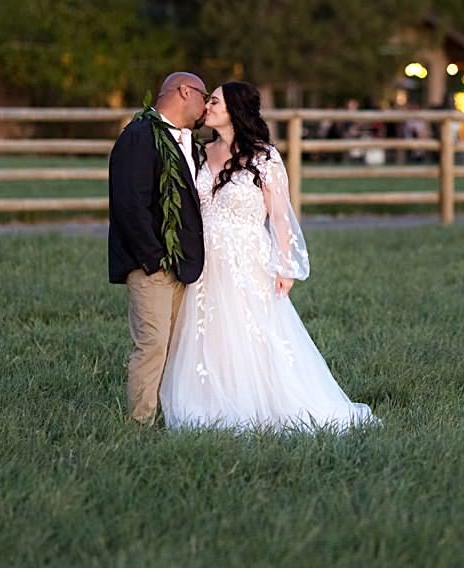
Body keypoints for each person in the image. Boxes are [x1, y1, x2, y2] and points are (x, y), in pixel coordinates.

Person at [160, 81, 378, 432]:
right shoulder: (200, 152)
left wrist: (285, 264)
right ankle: (211, 401)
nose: (208, 107)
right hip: (205, 262)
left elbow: (280, 216)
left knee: (254, 333)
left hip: (248, 260)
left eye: (215, 101)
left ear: (235, 110)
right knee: (208, 335)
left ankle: (263, 400)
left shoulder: (264, 157)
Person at [108, 72, 209, 425]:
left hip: (183, 265)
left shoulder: (188, 143)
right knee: (151, 346)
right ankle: (140, 425)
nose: (206, 104)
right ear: (184, 91)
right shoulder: (139, 137)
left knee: (175, 349)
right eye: (203, 95)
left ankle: (172, 416)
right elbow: (129, 205)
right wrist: (154, 260)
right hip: (151, 264)